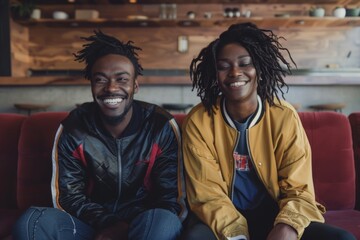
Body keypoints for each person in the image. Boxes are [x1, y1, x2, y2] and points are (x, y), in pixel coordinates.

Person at [181, 23, 355, 240]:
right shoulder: (199, 121)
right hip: (221, 219)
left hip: (275, 215)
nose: (235, 72)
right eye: (224, 66)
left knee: (342, 239)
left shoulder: (284, 116)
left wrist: (287, 226)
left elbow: (299, 189)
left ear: (260, 68)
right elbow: (207, 195)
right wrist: (236, 235)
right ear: (215, 74)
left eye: (245, 64)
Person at [13, 30, 187, 240]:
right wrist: (110, 224)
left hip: (145, 227)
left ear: (135, 86)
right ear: (92, 86)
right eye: (101, 80)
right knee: (32, 221)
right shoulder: (74, 127)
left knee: (165, 222)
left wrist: (129, 227)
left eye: (121, 79)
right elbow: (69, 197)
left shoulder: (161, 126)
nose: (111, 88)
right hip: (91, 226)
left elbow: (171, 198)